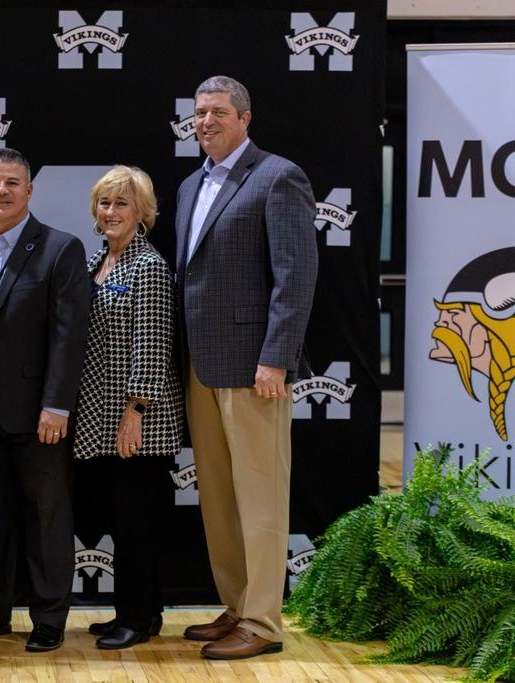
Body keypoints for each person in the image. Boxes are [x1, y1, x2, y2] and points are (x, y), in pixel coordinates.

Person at [174, 75, 317, 660]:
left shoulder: (278, 176)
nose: (205, 122)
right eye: (199, 113)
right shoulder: (188, 185)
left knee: (260, 497)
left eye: (217, 113)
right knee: (219, 499)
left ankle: (262, 621)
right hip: (200, 367)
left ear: (244, 118)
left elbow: (296, 275)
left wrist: (276, 358)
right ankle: (236, 607)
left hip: (255, 367)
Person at [0, 147, 90, 652]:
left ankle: (50, 618)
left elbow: (68, 336)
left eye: (12, 182)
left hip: (37, 411)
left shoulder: (59, 248)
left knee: (46, 516)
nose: (1, 191)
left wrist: (57, 405)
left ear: (30, 191)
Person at [73, 166, 185, 649]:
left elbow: (154, 345)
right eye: (105, 203)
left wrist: (135, 411)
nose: (111, 212)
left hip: (139, 419)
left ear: (142, 211)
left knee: (136, 522)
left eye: (122, 203)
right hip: (100, 414)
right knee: (121, 519)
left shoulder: (148, 267)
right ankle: (137, 611)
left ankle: (137, 620)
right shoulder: (100, 259)